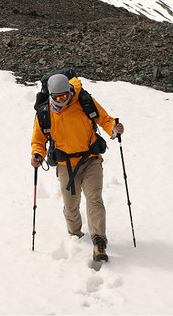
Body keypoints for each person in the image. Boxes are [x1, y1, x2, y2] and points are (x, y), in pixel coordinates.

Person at [30, 73, 124, 262]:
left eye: (64, 96)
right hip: (65, 165)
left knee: (94, 199)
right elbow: (38, 139)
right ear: (51, 95)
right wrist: (37, 155)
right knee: (71, 205)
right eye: (57, 98)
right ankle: (75, 236)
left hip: (91, 159)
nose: (62, 100)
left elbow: (104, 119)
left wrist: (114, 128)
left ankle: (99, 241)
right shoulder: (45, 112)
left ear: (70, 91)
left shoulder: (84, 101)